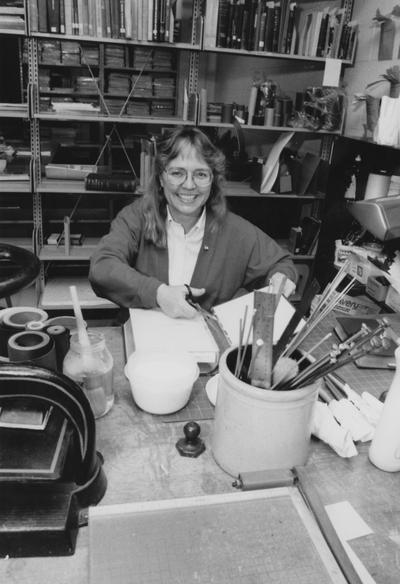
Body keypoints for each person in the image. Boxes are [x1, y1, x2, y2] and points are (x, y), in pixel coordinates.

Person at [89, 126, 297, 319]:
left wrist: (281, 278)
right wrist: (158, 293)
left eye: (200, 174)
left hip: (209, 349)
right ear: (161, 178)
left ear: (213, 180)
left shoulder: (235, 230)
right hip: (147, 348)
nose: (189, 185)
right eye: (177, 173)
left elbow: (281, 264)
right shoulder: (136, 218)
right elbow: (102, 267)